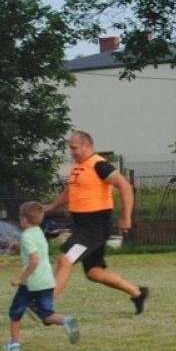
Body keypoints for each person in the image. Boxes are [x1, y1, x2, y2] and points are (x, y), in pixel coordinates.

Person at [44, 130, 149, 313]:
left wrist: (126, 217)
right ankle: (138, 293)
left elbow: (125, 186)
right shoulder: (79, 167)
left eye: (74, 148)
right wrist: (53, 206)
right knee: (94, 272)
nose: (71, 152)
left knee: (65, 259)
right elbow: (71, 191)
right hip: (81, 225)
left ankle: (45, 305)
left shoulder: (99, 165)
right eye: (70, 148)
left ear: (87, 146)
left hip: (93, 227)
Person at [2, 201, 80, 351]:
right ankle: (65, 320)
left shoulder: (26, 236)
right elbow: (36, 249)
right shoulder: (39, 232)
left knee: (15, 312)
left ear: (24, 220)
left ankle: (14, 344)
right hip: (47, 281)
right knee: (46, 314)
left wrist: (21, 279)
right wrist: (18, 247)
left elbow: (34, 259)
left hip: (31, 283)